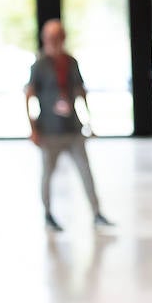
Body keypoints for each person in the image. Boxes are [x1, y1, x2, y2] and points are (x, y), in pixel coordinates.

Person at [24, 19, 111, 232]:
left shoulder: (71, 62)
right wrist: (33, 129)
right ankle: (47, 214)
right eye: (50, 37)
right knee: (47, 174)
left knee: (85, 172)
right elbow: (29, 95)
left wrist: (89, 121)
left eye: (58, 37)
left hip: (72, 129)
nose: (54, 41)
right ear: (45, 39)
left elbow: (81, 91)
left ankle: (97, 213)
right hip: (49, 131)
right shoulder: (39, 65)